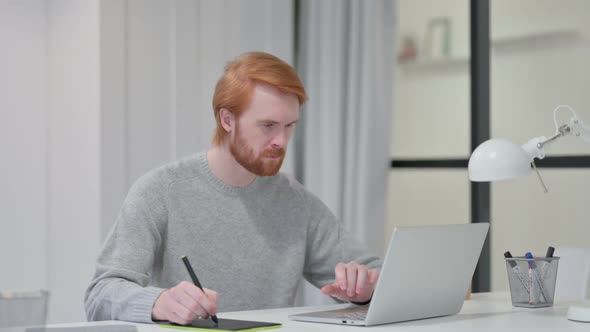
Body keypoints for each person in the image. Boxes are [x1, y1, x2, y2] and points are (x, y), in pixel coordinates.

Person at [84, 51, 382, 325]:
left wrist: (366, 287)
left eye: (289, 125)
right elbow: (100, 295)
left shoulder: (296, 203)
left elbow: (382, 277)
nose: (281, 140)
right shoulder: (160, 191)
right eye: (267, 126)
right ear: (227, 120)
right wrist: (158, 302)